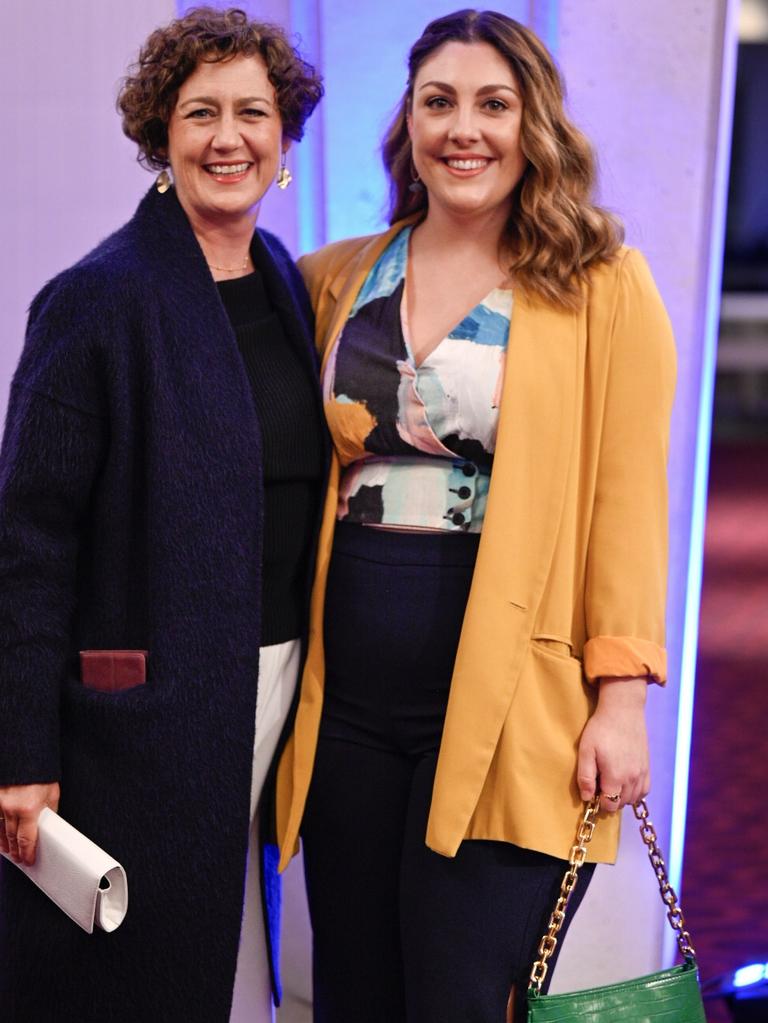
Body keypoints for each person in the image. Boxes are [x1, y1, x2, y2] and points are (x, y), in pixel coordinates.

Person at [275, 9, 675, 1022]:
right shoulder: (334, 276)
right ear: (406, 124)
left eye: (493, 104)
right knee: (352, 996)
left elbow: (629, 499)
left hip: (512, 705)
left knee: (458, 999)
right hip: (347, 707)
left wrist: (621, 699)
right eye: (438, 102)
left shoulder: (602, 286)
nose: (465, 128)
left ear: (532, 122)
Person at [0, 7, 324, 1021]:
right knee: (135, 975)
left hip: (273, 683)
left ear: (283, 140)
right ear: (160, 135)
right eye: (201, 114)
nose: (228, 137)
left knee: (231, 959)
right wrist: (22, 757)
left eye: (253, 113)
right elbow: (27, 545)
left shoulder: (282, 281)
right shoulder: (97, 299)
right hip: (144, 719)